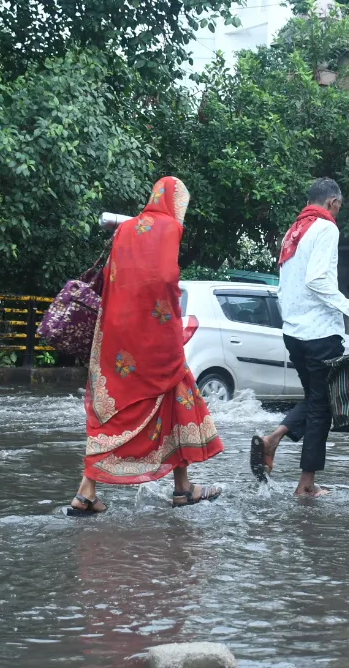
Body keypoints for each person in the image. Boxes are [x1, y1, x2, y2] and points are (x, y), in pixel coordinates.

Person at [74, 177, 224, 513]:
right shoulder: (171, 228)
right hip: (156, 336)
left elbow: (114, 278)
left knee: (120, 409)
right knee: (180, 392)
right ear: (177, 202)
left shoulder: (125, 229)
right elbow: (165, 279)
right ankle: (179, 488)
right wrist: (171, 320)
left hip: (116, 335)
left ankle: (177, 488)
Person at [251, 178, 349, 497]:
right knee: (322, 408)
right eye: (340, 207)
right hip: (321, 334)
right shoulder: (325, 228)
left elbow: (285, 288)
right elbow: (317, 281)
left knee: (315, 400)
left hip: (294, 335)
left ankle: (274, 439)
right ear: (332, 203)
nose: (339, 212)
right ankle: (305, 485)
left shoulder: (292, 233)